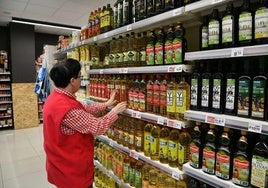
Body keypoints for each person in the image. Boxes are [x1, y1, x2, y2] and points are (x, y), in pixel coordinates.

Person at [43, 58, 127, 188]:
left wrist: (106, 104)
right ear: (72, 81)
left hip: (59, 164)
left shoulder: (56, 97)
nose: (81, 80)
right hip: (72, 172)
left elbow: (83, 108)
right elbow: (97, 127)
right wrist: (115, 112)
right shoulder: (68, 109)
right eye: (80, 77)